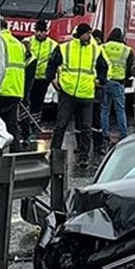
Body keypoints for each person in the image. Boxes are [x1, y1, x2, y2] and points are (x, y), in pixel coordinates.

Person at [45, 24, 108, 172]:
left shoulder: (95, 49)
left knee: (86, 127)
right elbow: (52, 64)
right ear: (80, 34)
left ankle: (83, 156)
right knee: (61, 124)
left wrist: (101, 81)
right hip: (68, 92)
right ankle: (54, 153)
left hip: (86, 93)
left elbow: (103, 67)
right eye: (87, 34)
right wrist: (52, 79)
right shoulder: (64, 48)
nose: (89, 37)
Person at [0, 20, 28, 150]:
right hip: (16, 89)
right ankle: (15, 150)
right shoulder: (18, 44)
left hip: (1, 87)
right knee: (12, 123)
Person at [100, 28, 133, 142]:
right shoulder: (126, 50)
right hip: (119, 82)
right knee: (120, 110)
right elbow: (130, 68)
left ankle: (104, 132)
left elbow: (98, 64)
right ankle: (123, 133)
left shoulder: (103, 47)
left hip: (105, 82)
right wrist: (125, 78)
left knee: (105, 109)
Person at [24, 19, 58, 118]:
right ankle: (26, 122)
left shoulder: (53, 45)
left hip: (43, 78)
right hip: (29, 77)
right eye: (37, 30)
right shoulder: (27, 41)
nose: (39, 33)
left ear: (46, 32)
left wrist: (52, 77)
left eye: (41, 31)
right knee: (26, 101)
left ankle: (35, 122)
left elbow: (55, 64)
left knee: (38, 102)